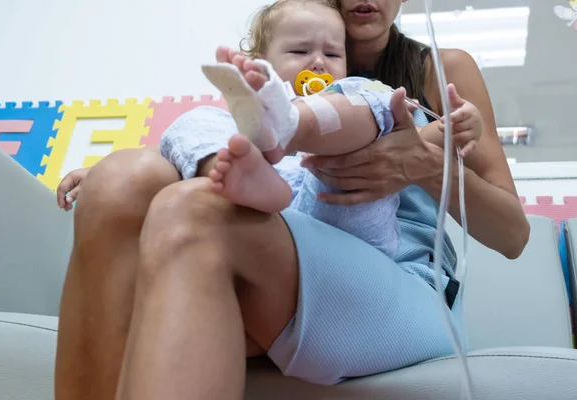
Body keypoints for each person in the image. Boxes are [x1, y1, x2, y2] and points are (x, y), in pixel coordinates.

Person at [54, 1, 530, 399]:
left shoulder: (435, 70)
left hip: (402, 285)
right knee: (119, 180)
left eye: (328, 52)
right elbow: (216, 139)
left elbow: (513, 235)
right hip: (288, 232)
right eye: (302, 50)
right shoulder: (278, 64)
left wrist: (426, 166)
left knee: (195, 209)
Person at [159, 0, 482, 258]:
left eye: (332, 54)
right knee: (194, 119)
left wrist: (460, 126)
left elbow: (425, 137)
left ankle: (287, 127)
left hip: (343, 221)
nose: (318, 63)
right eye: (300, 52)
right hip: (274, 213)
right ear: (261, 63)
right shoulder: (242, 117)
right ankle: (242, 176)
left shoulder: (358, 93)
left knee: (369, 96)